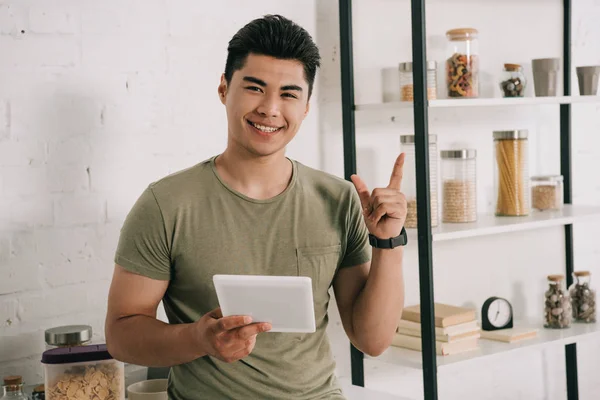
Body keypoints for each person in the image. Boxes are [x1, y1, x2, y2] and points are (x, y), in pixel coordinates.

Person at [105, 14, 406, 400]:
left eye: (289, 94)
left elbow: (373, 341)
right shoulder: (166, 204)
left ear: (307, 106)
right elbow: (121, 334)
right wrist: (200, 338)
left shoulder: (338, 198)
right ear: (223, 88)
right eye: (255, 88)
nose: (270, 108)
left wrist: (388, 242)